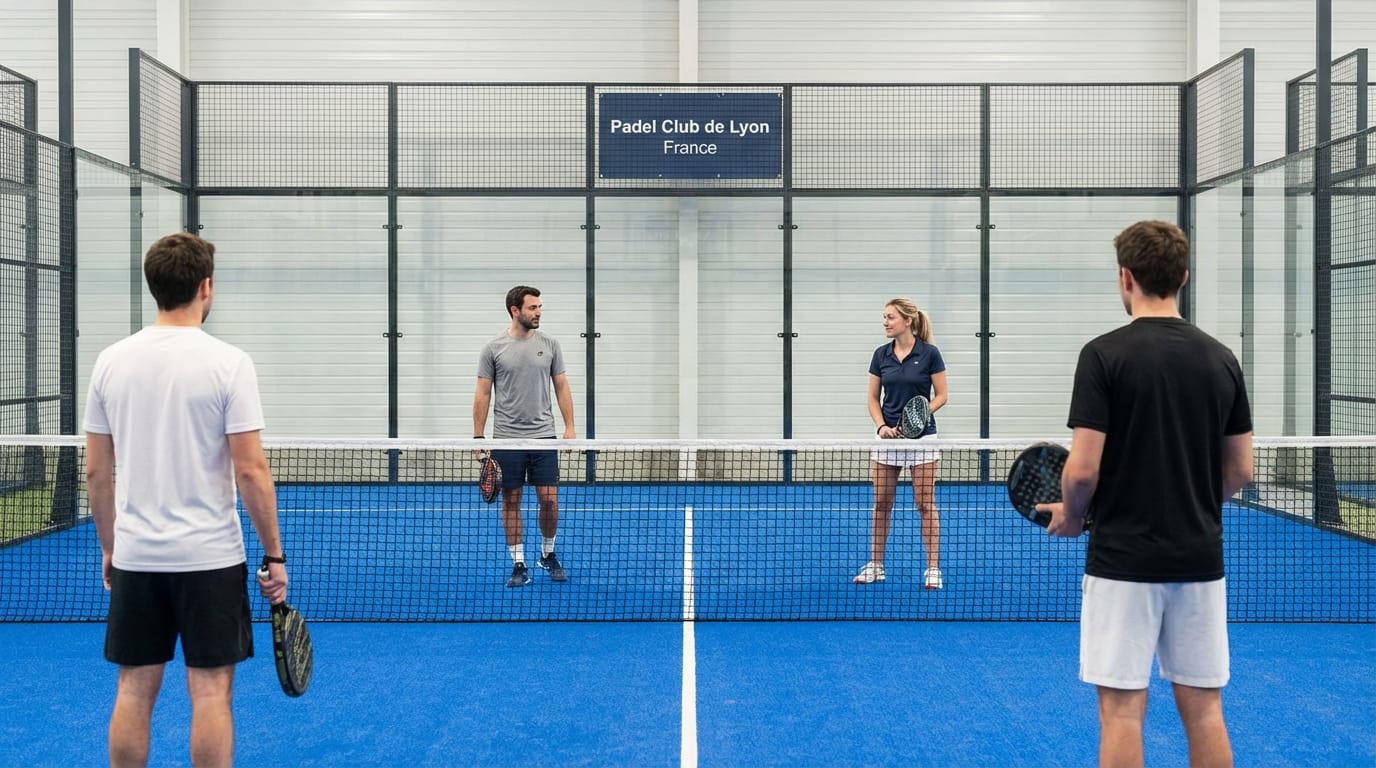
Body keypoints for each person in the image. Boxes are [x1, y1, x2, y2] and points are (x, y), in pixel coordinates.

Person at [1039, 220, 1253, 768]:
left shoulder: (1103, 355)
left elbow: (1082, 472)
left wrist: (1072, 515)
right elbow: (1241, 471)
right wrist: (1189, 502)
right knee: (1205, 711)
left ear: (1125, 278)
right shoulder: (1222, 358)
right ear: (1183, 276)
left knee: (1122, 714)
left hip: (1122, 563)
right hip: (1199, 559)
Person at [84, 232, 287, 768]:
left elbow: (95, 473)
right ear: (206, 287)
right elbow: (250, 470)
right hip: (210, 559)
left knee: (132, 692)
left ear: (154, 287)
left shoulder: (110, 361)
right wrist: (275, 555)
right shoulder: (230, 363)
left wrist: (110, 547)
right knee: (211, 695)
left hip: (136, 558)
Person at [473, 285, 577, 588]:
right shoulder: (493, 349)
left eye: (540, 307)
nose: (539, 313)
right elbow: (482, 393)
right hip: (506, 439)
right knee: (511, 501)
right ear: (514, 310)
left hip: (544, 437)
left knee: (550, 501)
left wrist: (569, 428)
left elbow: (561, 386)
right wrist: (478, 438)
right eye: (533, 308)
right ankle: (518, 563)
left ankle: (548, 554)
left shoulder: (551, 345)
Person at [855, 297, 948, 589]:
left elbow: (942, 395)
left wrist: (918, 417)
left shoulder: (930, 354)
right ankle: (876, 565)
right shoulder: (880, 355)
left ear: (907, 321)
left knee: (925, 504)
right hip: (887, 440)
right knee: (881, 504)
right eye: (884, 317)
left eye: (890, 317)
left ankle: (933, 569)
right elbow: (872, 398)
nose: (885, 322)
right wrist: (882, 426)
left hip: (923, 439)